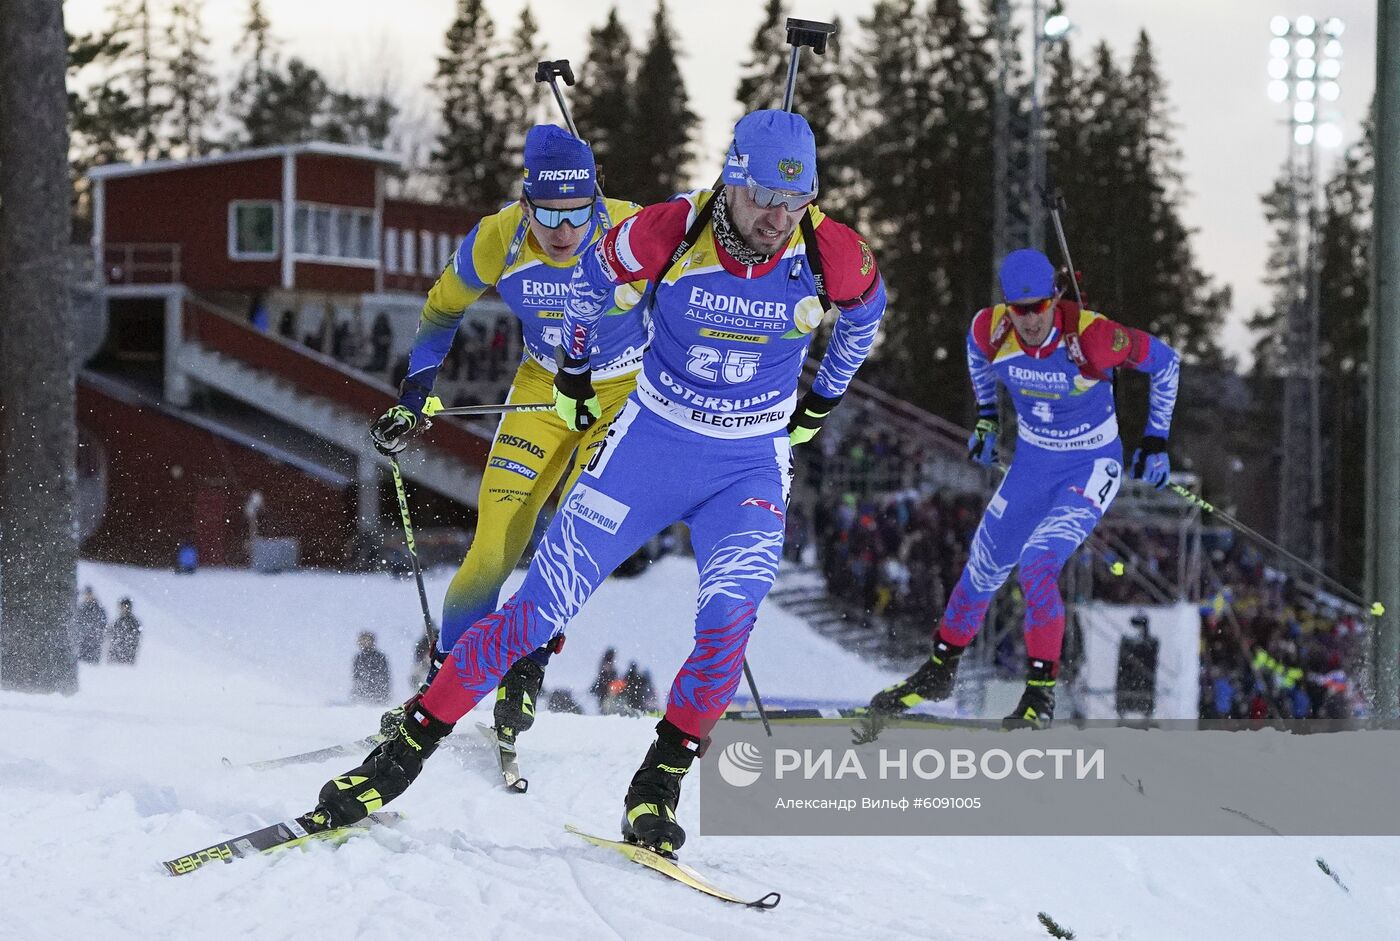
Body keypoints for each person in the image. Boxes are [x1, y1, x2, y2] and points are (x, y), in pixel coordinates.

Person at [311, 110, 886, 856]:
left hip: (746, 464)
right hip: (648, 443)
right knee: (533, 608)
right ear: (731, 180)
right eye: (763, 200)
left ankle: (656, 787)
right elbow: (585, 287)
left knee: (725, 628)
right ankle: (400, 756)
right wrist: (574, 372)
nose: (778, 219)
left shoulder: (828, 249)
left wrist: (823, 399)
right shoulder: (669, 229)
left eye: (796, 201)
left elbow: (864, 315)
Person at [368, 125, 648, 757]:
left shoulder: (630, 228)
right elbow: (442, 310)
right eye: (546, 212)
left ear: (595, 200)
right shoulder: (498, 237)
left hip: (624, 393)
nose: (562, 230)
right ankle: (442, 685)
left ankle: (524, 667)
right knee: (493, 538)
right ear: (525, 203)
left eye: (576, 213)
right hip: (543, 387)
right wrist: (413, 397)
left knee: (567, 537)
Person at [869, 248, 1180, 728]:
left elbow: (1166, 362)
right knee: (982, 568)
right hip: (1034, 463)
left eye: (1038, 308)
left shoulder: (1092, 336)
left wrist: (1156, 440)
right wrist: (987, 419)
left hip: (1090, 463)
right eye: (1020, 310)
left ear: (1055, 297)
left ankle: (1039, 696)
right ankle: (939, 670)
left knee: (1037, 564)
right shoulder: (989, 329)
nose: (1030, 320)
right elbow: (976, 357)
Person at [351, 631, 392, 704]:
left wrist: (383, 691)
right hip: (362, 693)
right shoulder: (358, 657)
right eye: (363, 640)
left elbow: (385, 676)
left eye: (367, 640)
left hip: (378, 693)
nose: (365, 642)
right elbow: (356, 677)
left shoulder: (379, 657)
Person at [76, 586, 107, 664]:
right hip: (83, 643)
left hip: (94, 643)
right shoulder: (81, 609)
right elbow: (77, 623)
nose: (87, 596)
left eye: (89, 594)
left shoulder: (98, 609)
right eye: (86, 594)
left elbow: (102, 625)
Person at [107, 597, 142, 665]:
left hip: (127, 657)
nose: (123, 608)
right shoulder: (117, 621)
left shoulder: (134, 622)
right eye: (122, 606)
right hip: (115, 656)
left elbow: (135, 640)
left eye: (125, 606)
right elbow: (110, 637)